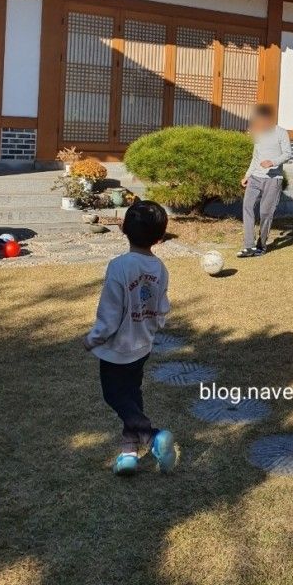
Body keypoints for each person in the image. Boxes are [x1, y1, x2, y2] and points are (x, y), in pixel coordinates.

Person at [83, 200, 178, 476]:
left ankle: (152, 436)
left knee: (114, 395)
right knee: (132, 397)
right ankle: (128, 453)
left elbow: (110, 313)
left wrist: (94, 338)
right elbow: (162, 306)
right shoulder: (159, 268)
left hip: (117, 349)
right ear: (160, 238)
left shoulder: (119, 267)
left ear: (123, 228)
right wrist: (153, 326)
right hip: (142, 345)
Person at [238, 103, 292, 258]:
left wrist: (272, 162)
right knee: (247, 207)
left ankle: (261, 246)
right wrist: (247, 175)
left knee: (265, 213)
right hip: (255, 177)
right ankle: (248, 246)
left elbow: (288, 154)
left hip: (273, 179)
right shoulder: (259, 134)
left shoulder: (281, 133)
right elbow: (256, 156)